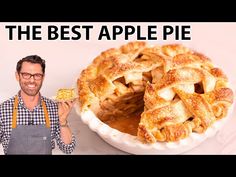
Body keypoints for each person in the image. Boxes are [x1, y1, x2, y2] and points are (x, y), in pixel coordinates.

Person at [0, 55, 76, 154]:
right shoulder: (3, 110)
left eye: (37, 75)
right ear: (17, 76)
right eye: (26, 74)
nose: (32, 80)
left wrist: (62, 121)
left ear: (43, 77)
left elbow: (68, 148)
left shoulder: (54, 108)